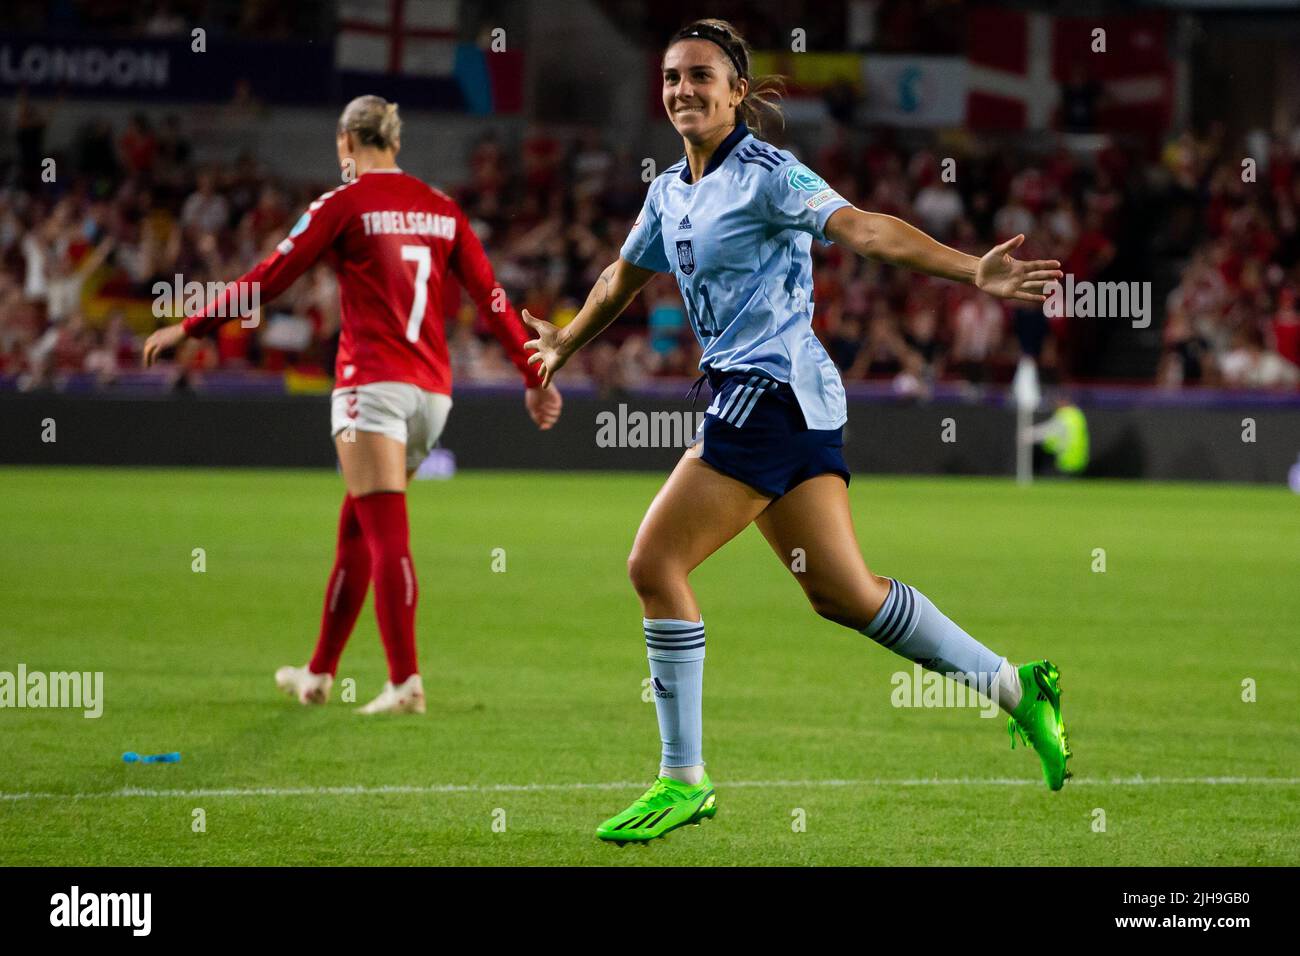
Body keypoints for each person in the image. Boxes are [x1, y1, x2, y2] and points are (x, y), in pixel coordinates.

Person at [523, 19, 1071, 845]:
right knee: (843, 594)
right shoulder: (669, 189)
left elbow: (866, 228)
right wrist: (565, 342)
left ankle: (682, 779)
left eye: (701, 76)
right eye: (672, 77)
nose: (683, 90)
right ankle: (1017, 688)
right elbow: (621, 275)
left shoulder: (771, 176)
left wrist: (970, 270)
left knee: (653, 562)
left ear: (739, 90)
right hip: (795, 403)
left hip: (768, 395)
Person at [144, 96, 562, 714]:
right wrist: (536, 375)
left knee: (386, 532)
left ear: (346, 142)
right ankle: (317, 674)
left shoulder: (344, 204)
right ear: (394, 143)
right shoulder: (443, 211)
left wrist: (192, 328)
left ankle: (405, 682)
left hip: (371, 386)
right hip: (432, 397)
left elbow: (270, 276)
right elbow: (493, 300)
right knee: (358, 529)